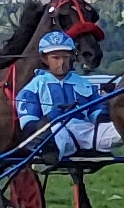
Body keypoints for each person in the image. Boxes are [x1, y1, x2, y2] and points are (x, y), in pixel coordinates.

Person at [14, 28, 108, 162]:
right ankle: (52, 150)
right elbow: (29, 129)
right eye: (56, 58)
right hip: (57, 133)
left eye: (65, 57)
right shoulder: (30, 90)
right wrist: (49, 118)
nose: (61, 63)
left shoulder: (85, 84)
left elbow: (97, 115)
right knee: (56, 133)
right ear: (44, 59)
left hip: (87, 133)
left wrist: (107, 112)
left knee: (122, 129)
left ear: (72, 57)